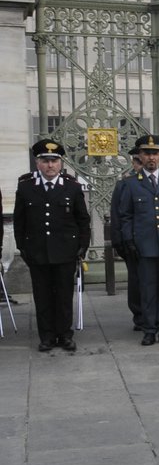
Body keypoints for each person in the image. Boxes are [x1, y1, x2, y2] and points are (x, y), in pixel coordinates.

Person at [14, 139, 90, 353]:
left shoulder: (72, 187)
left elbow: (82, 220)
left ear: (60, 163)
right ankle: (46, 336)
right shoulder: (26, 187)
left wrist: (82, 247)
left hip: (65, 251)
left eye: (54, 161)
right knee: (43, 296)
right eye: (45, 161)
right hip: (37, 252)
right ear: (37, 163)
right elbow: (20, 222)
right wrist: (23, 248)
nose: (50, 166)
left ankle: (65, 335)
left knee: (64, 296)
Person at [116, 134, 159, 346]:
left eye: (155, 153)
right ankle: (149, 328)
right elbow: (126, 215)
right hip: (144, 245)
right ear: (140, 156)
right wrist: (129, 240)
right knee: (147, 288)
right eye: (147, 153)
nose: (151, 158)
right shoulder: (130, 184)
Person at [108, 144, 146, 332]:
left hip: (154, 242)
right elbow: (117, 215)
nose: (142, 165)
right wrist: (120, 242)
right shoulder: (124, 184)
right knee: (137, 280)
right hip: (133, 241)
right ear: (133, 162)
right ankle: (139, 316)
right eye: (138, 161)